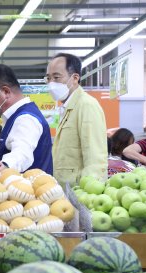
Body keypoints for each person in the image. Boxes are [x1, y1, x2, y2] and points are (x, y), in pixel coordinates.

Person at [47, 53, 108, 185]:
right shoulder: (67, 107)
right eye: (48, 78)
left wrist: (89, 193)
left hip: (79, 193)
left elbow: (95, 157)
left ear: (75, 78)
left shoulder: (86, 105)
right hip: (65, 192)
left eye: (56, 77)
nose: (51, 83)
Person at [0, 64, 53, 173]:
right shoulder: (14, 118)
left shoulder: (25, 118)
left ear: (5, 92)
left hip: (27, 187)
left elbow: (22, 152)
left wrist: (6, 164)